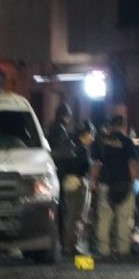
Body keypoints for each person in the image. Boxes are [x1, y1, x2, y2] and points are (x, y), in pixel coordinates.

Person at [92, 115, 138, 258]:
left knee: (104, 218)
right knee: (124, 218)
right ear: (124, 125)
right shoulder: (127, 141)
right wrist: (134, 181)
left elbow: (96, 163)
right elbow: (132, 163)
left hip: (105, 184)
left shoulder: (102, 141)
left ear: (111, 125)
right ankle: (123, 249)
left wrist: (93, 181)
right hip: (124, 184)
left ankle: (103, 249)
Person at [61, 120, 95, 256]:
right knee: (77, 216)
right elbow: (84, 167)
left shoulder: (70, 145)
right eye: (91, 135)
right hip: (78, 183)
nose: (92, 138)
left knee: (71, 216)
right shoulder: (82, 149)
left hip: (68, 182)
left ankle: (68, 245)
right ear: (86, 134)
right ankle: (73, 245)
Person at [47, 102, 74, 243]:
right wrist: (71, 152)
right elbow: (61, 152)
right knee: (61, 205)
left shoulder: (52, 128)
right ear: (65, 116)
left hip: (55, 171)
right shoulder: (60, 130)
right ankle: (61, 237)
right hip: (59, 172)